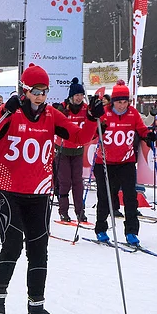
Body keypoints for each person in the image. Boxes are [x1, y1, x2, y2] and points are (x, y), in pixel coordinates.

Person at [0, 64, 95, 314]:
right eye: (36, 91)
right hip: (5, 188)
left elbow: (77, 137)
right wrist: (3, 110)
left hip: (40, 191)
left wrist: (92, 118)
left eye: (44, 91)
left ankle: (36, 306)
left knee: (38, 248)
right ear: (25, 90)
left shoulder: (51, 115)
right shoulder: (12, 112)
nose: (40, 96)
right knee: (12, 243)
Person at [90, 81, 151, 246]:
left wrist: (148, 136)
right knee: (106, 197)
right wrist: (98, 129)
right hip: (104, 162)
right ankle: (101, 229)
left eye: (125, 102)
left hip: (126, 162)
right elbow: (92, 130)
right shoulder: (105, 113)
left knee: (130, 197)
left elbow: (142, 130)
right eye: (119, 102)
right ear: (113, 102)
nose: (122, 105)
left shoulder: (133, 114)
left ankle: (131, 232)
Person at [54, 78, 89, 223]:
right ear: (71, 96)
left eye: (81, 95)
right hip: (62, 149)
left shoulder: (85, 108)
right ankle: (63, 211)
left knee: (78, 182)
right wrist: (60, 112)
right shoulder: (64, 107)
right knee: (65, 182)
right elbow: (55, 119)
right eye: (76, 95)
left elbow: (92, 121)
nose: (79, 98)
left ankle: (80, 211)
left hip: (78, 150)